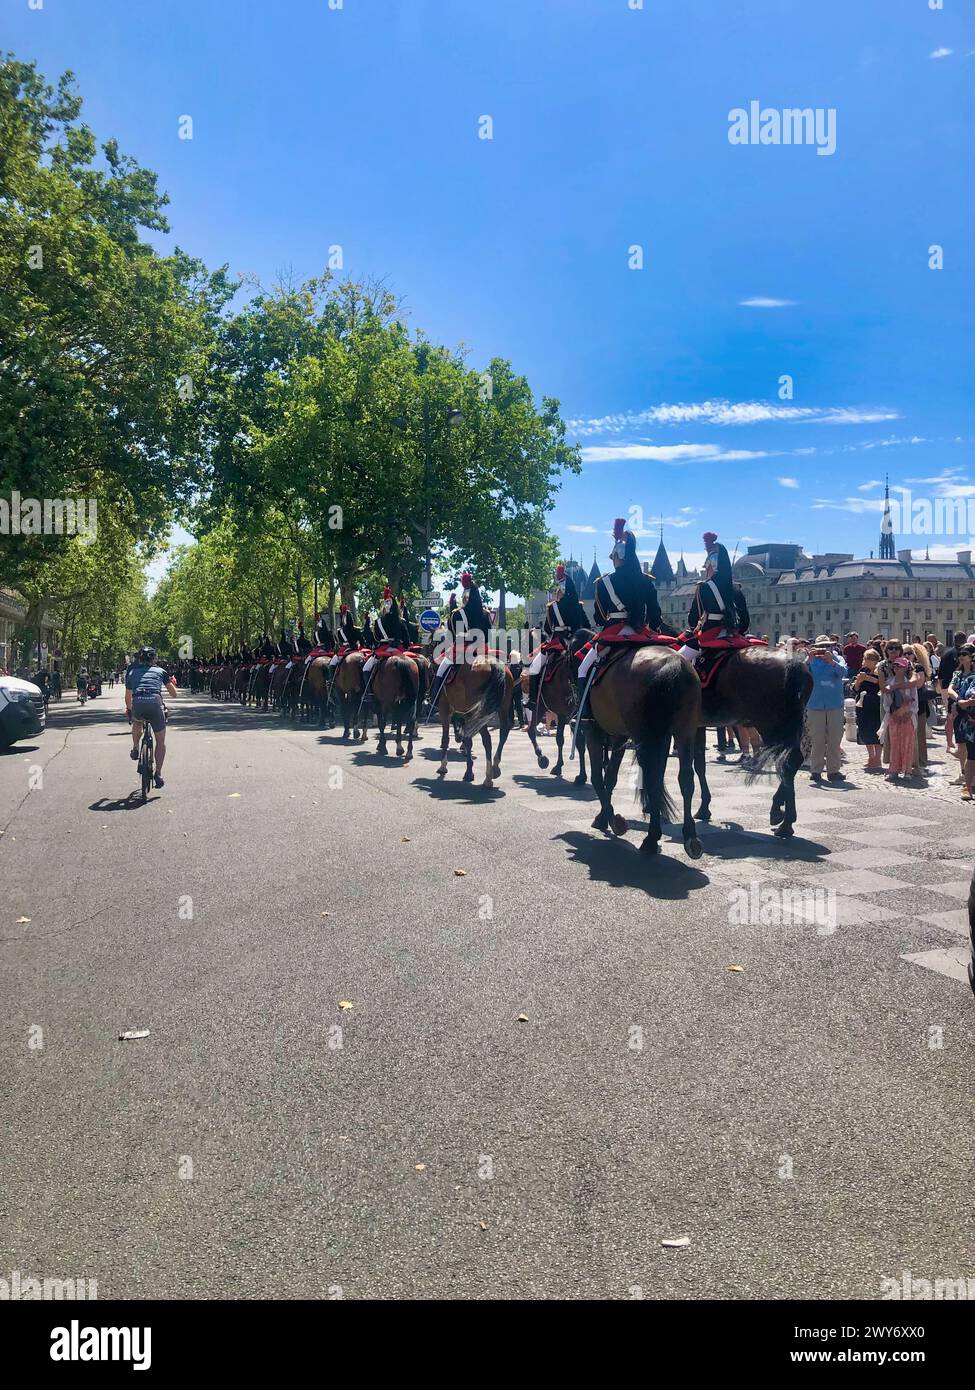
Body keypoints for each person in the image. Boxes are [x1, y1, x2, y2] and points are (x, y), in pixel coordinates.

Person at [124, 647, 178, 788]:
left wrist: (130, 710)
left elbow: (128, 697)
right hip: (155, 703)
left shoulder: (132, 672)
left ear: (140, 659)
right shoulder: (161, 671)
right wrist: (172, 683)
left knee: (137, 722)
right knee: (160, 741)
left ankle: (135, 747)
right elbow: (174, 694)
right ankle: (158, 774)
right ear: (154, 659)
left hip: (138, 702)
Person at [878, 639, 923, 783]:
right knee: (893, 742)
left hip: (908, 713)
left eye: (896, 648)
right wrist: (893, 711)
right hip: (892, 713)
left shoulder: (908, 664)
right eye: (890, 648)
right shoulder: (883, 666)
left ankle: (908, 769)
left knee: (908, 743)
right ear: (886, 650)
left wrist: (900, 688)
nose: (893, 651)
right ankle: (894, 768)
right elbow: (884, 690)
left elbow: (915, 683)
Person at [805, 635, 848, 783]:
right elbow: (800, 674)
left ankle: (833, 771)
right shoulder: (811, 661)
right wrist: (809, 659)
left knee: (835, 739)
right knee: (817, 739)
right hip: (815, 704)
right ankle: (816, 770)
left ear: (832, 647)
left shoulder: (838, 659)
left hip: (834, 704)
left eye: (827, 646)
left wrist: (832, 662)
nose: (824, 650)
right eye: (821, 647)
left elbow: (844, 673)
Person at [949, 644, 975, 801]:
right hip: (969, 721)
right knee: (970, 754)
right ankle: (967, 785)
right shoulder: (967, 678)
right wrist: (963, 702)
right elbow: (958, 696)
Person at [853, 648, 883, 770]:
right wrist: (858, 681)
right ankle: (871, 757)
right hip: (862, 704)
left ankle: (878, 758)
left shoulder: (880, 671)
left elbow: (883, 684)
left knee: (876, 730)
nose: (864, 661)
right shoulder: (863, 670)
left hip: (876, 704)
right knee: (864, 730)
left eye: (867, 659)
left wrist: (869, 679)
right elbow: (855, 689)